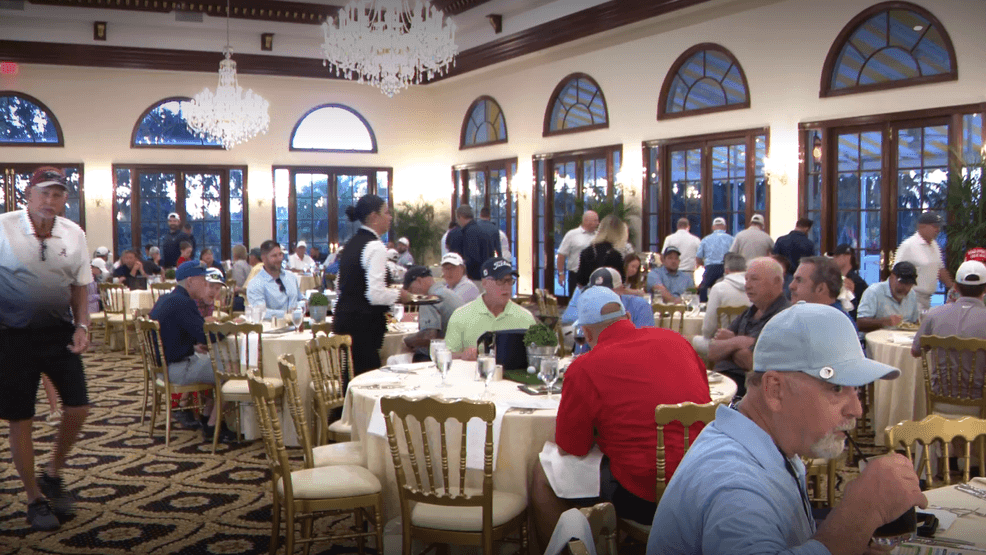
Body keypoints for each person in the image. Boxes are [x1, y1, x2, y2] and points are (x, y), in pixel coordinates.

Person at [647, 302, 926, 555]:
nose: (857, 409)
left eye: (856, 390)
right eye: (836, 388)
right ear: (774, 390)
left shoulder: (768, 442)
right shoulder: (735, 484)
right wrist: (862, 513)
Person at [532, 287, 710, 545]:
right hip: (701, 483)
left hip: (645, 495)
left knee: (542, 474)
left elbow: (573, 447)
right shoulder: (677, 341)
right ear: (627, 316)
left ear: (588, 333)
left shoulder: (585, 367)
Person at [0, 166, 92, 531]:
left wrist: (83, 324)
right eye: (44, 193)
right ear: (28, 194)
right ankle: (34, 498)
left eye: (57, 195)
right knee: (22, 418)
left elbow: (81, 285)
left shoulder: (74, 233)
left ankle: (53, 472)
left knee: (79, 406)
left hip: (58, 332)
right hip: (11, 336)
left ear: (64, 199)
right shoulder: (3, 227)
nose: (50, 201)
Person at [148, 261, 235, 444]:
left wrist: (193, 346)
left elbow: (174, 335)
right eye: (203, 282)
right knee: (231, 371)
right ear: (190, 282)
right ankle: (213, 426)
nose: (205, 285)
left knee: (216, 363)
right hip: (178, 369)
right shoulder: (183, 303)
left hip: (163, 368)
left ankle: (205, 417)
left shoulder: (167, 298)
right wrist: (231, 328)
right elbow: (207, 337)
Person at [334, 195, 413, 375]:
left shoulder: (351, 244)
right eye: (386, 212)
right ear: (374, 217)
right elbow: (375, 294)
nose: (390, 217)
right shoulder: (375, 246)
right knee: (367, 378)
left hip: (344, 321)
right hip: (363, 327)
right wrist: (399, 295)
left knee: (349, 377)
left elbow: (340, 284)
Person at [709, 257, 790, 397]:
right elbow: (712, 352)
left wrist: (729, 347)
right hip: (721, 382)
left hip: (747, 391)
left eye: (754, 279)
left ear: (776, 282)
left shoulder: (784, 316)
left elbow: (752, 363)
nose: (747, 285)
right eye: (746, 279)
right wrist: (738, 341)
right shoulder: (750, 311)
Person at [444, 257, 536, 361]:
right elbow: (446, 356)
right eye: (500, 280)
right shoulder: (461, 315)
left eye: (509, 281)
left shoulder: (525, 317)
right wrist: (463, 356)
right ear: (484, 283)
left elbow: (536, 355)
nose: (506, 286)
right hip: (473, 375)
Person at [911, 261, 986, 383]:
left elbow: (915, 351)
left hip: (940, 396)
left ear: (955, 287)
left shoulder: (934, 315)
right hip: (980, 398)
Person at [401, 265, 464, 361]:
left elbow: (429, 337)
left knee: (395, 360)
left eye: (411, 290)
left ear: (419, 281)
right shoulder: (450, 293)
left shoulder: (429, 299)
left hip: (444, 356)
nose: (412, 294)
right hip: (461, 351)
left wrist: (406, 341)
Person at [894, 211, 954, 311]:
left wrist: (953, 288)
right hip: (910, 299)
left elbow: (940, 270)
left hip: (927, 299)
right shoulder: (908, 246)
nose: (938, 230)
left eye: (939, 227)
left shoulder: (934, 245)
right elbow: (895, 274)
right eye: (934, 226)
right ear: (921, 226)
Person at [561, 267, 655, 329]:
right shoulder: (590, 309)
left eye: (607, 292)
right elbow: (582, 348)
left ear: (621, 290)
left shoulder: (640, 306)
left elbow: (643, 342)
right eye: (596, 292)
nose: (600, 296)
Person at [789, 256, 854, 328]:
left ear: (820, 288)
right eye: (793, 279)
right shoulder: (809, 317)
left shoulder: (835, 325)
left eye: (799, 280)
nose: (791, 286)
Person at [857, 261, 920, 334]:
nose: (905, 288)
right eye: (902, 283)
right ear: (892, 277)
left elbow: (914, 323)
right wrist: (883, 322)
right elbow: (860, 323)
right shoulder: (874, 292)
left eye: (909, 284)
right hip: (876, 340)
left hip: (902, 340)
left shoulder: (912, 295)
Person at [246, 240, 303, 320]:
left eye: (280, 254)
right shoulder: (255, 284)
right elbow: (260, 312)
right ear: (264, 258)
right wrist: (286, 315)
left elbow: (299, 298)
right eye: (274, 256)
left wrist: (305, 303)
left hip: (297, 326)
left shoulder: (291, 277)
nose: (279, 259)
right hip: (272, 329)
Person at [699, 252, 750, 341]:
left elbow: (708, 329)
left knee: (694, 339)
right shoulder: (753, 287)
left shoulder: (719, 288)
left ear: (726, 270)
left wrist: (707, 334)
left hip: (723, 342)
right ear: (745, 269)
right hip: (747, 341)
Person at [447, 204, 501, 284]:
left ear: (460, 217)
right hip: (486, 274)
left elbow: (472, 257)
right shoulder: (481, 229)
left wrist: (461, 268)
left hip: (475, 278)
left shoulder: (469, 232)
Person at [575, 214, 626, 288]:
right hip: (608, 297)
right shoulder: (615, 255)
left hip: (588, 296)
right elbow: (620, 283)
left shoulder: (587, 251)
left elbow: (580, 281)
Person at [556, 210, 599, 296]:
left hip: (594, 276)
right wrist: (561, 273)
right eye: (595, 220)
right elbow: (561, 254)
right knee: (575, 303)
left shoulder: (598, 236)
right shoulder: (572, 234)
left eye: (597, 220)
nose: (597, 223)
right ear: (586, 221)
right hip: (576, 275)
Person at [695, 216, 734, 302]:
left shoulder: (705, 239)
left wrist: (703, 264)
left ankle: (703, 306)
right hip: (726, 268)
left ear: (713, 227)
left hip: (710, 268)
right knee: (729, 288)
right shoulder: (731, 239)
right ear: (725, 227)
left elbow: (698, 258)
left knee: (703, 288)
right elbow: (734, 255)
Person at [832, 243, 868, 320]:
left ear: (847, 257)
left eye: (837, 256)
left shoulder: (856, 281)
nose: (833, 259)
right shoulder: (835, 278)